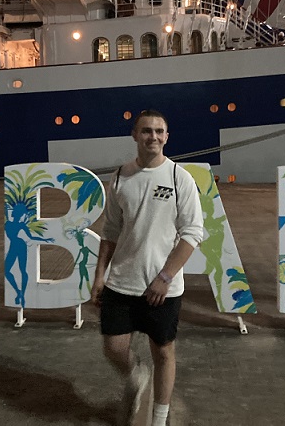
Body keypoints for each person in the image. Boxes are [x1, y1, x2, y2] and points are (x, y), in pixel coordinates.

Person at [92, 109, 204, 426]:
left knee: (164, 352)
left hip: (161, 287)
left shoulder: (178, 177)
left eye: (159, 131)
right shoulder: (119, 177)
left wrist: (165, 277)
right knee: (113, 348)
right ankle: (136, 375)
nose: (153, 136)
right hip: (121, 282)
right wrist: (100, 276)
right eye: (146, 131)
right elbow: (111, 231)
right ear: (134, 135)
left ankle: (159, 418)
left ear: (166, 137)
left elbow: (193, 232)